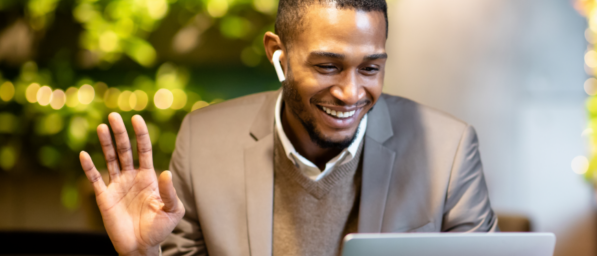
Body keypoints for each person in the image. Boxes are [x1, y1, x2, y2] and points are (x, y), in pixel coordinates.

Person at [78, 0, 498, 255]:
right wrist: (142, 254)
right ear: (277, 54)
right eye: (328, 66)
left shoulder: (450, 149)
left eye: (370, 68)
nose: (351, 93)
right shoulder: (202, 142)